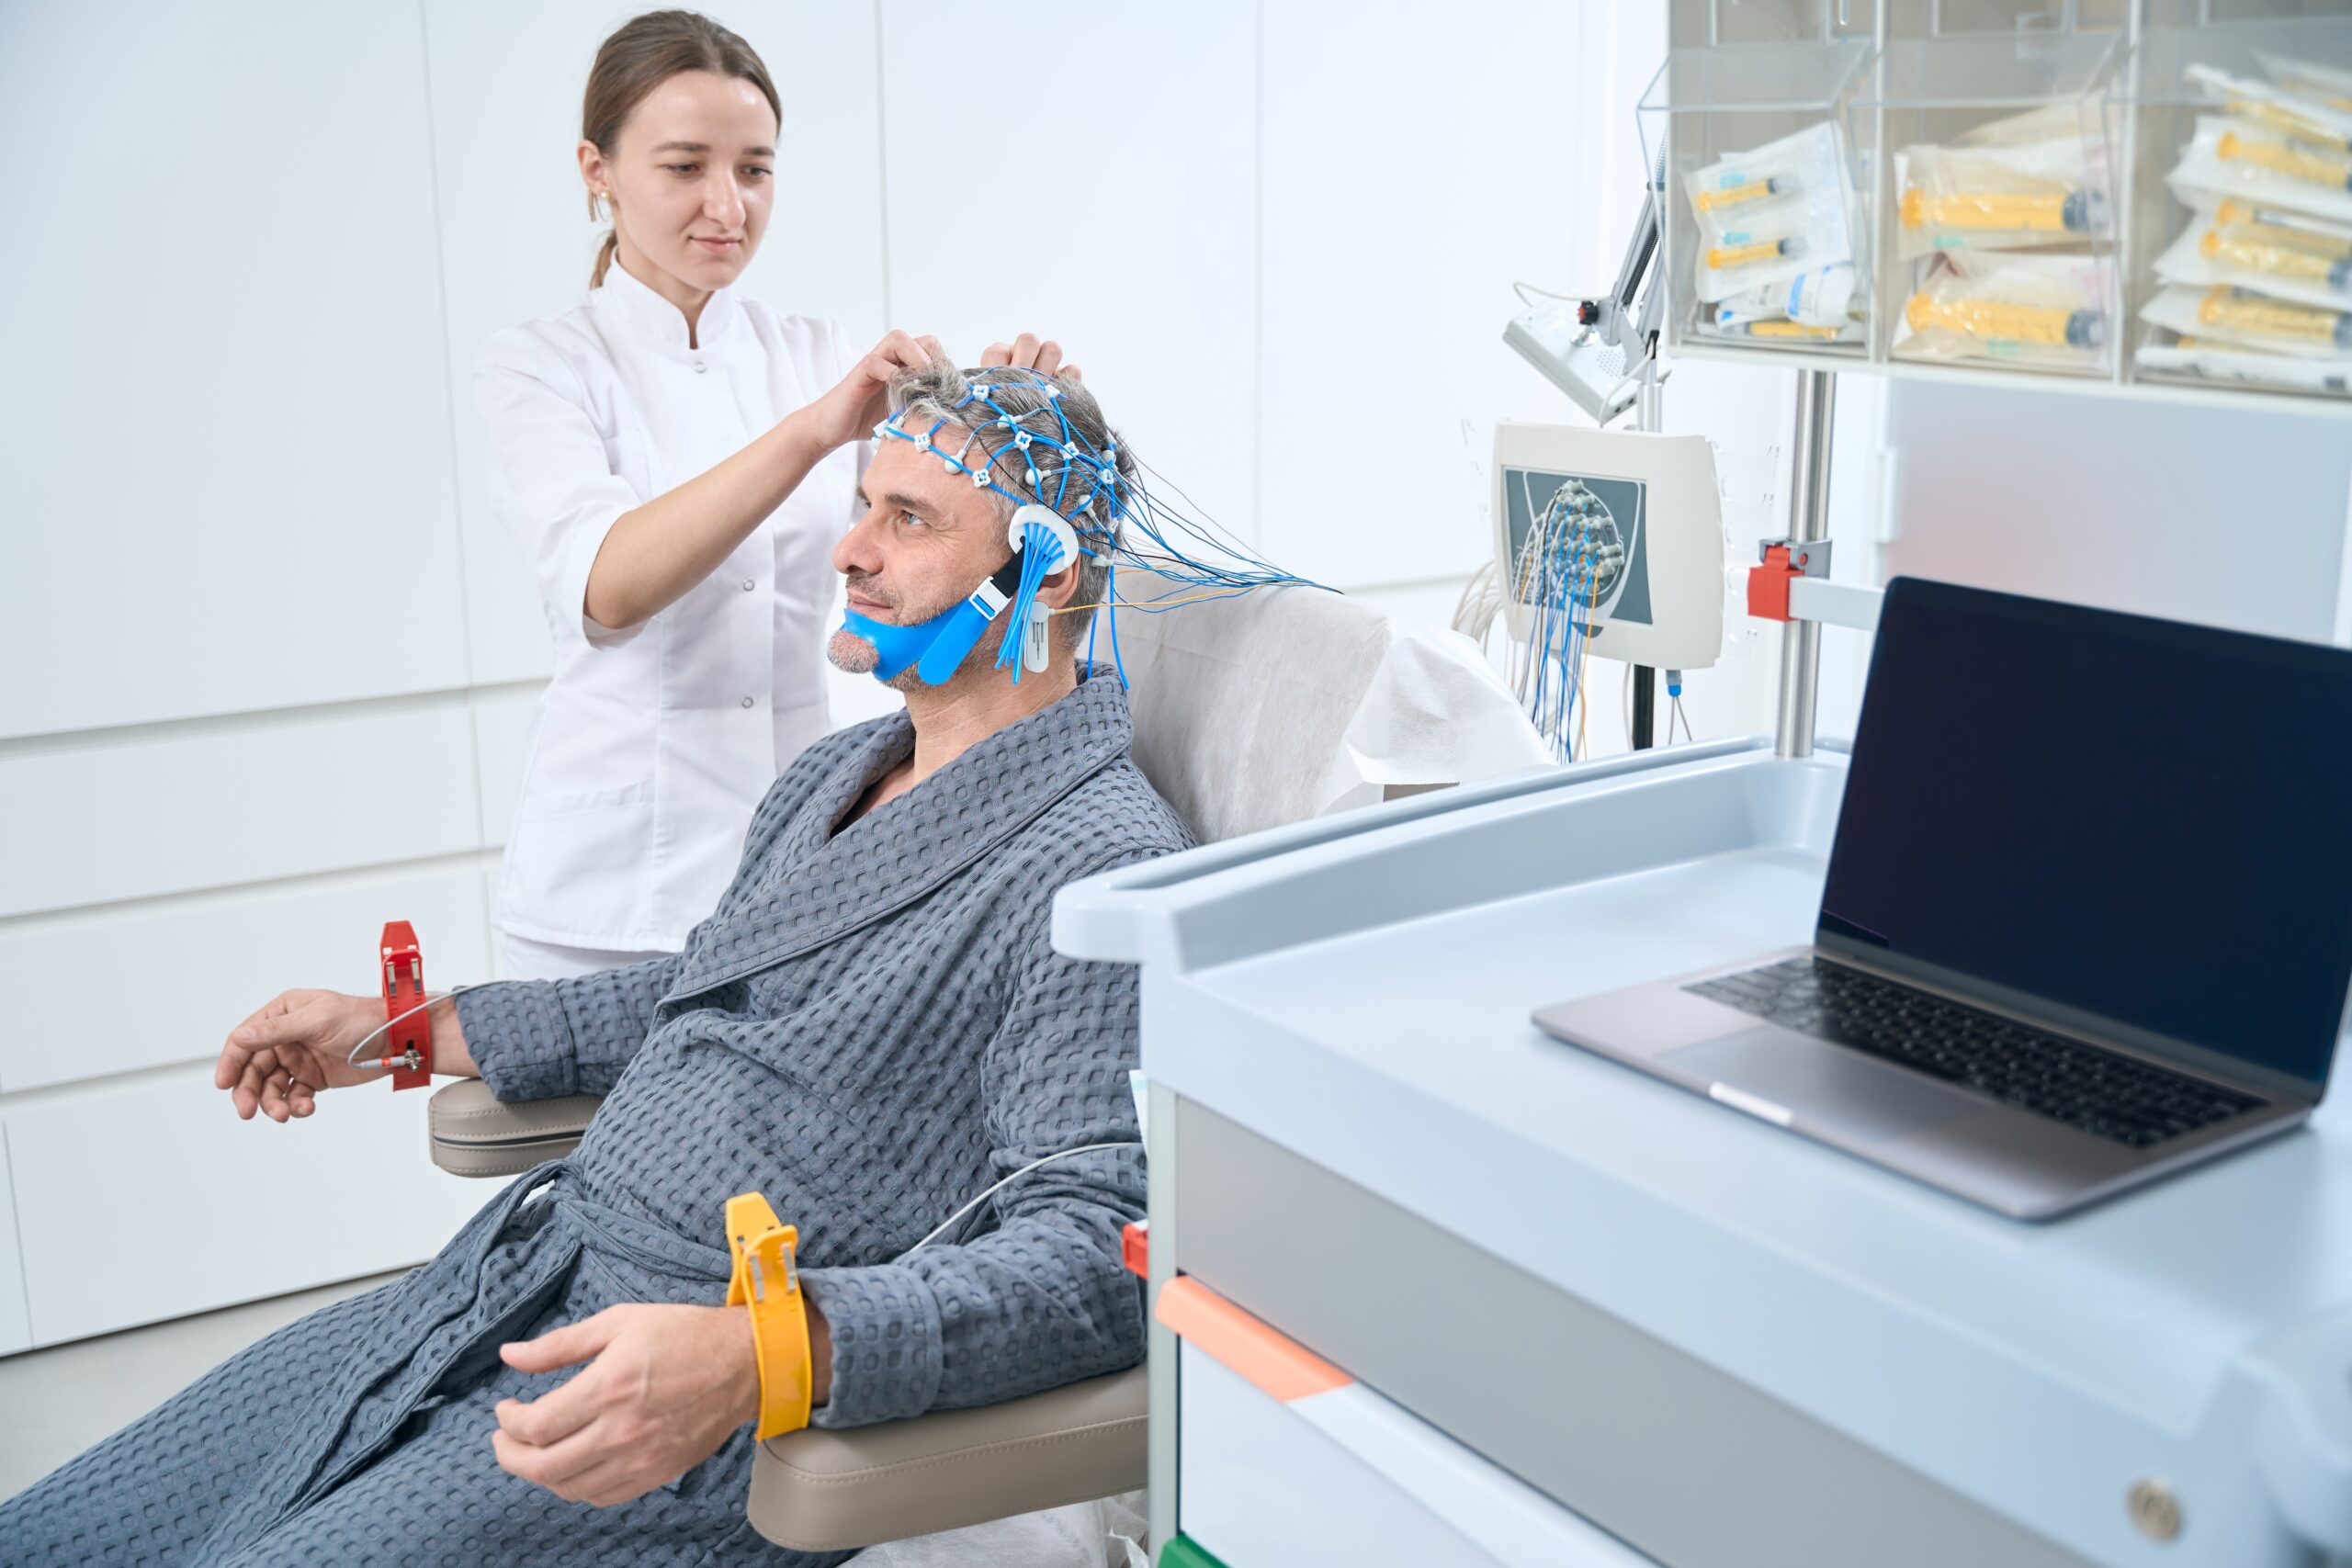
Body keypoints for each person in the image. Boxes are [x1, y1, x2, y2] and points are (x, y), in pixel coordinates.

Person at [0, 366, 1178, 1566]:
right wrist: (406, 1025)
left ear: (1045, 568)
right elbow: (702, 992)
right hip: (512, 1283)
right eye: (864, 501)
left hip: (681, 1396)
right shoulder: (837, 775)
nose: (849, 550)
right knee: (58, 1529)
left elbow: (1096, 1248)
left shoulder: (1095, 872)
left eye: (909, 518)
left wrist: (767, 1351)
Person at [481, 9, 1080, 982]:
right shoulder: (543, 367)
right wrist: (813, 428)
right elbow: (609, 586)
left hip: (798, 864)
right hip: (611, 895)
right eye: (685, 166)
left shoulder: (808, 349)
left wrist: (1020, 413)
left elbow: (946, 522)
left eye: (754, 169)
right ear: (597, 170)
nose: (728, 204)